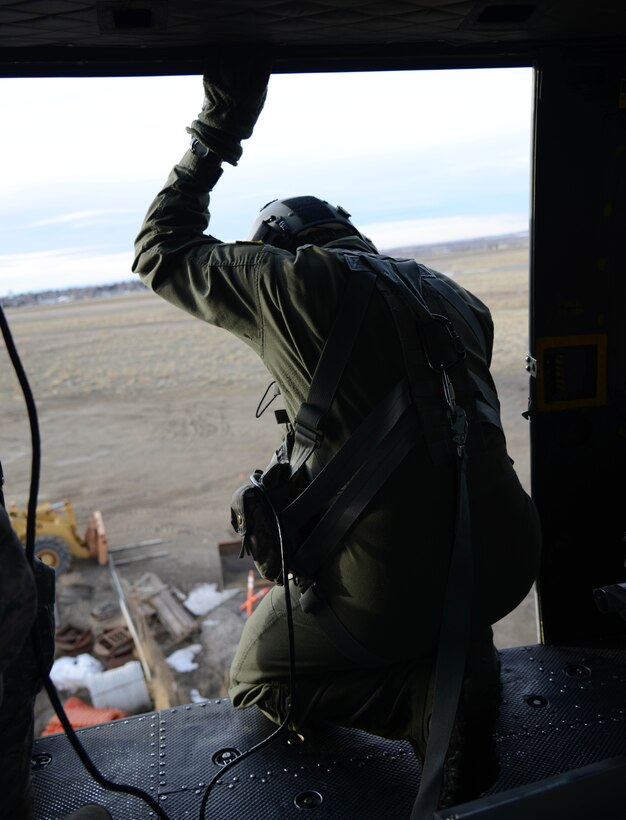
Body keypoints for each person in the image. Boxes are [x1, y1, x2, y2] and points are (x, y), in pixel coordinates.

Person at [133, 57, 542, 808]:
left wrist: (218, 130)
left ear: (279, 247)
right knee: (436, 545)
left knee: (257, 679)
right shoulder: (458, 300)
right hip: (509, 563)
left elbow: (159, 249)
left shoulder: (293, 280)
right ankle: (467, 667)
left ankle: (420, 703)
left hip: (393, 590)